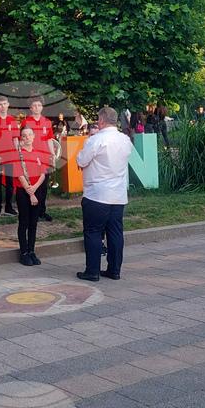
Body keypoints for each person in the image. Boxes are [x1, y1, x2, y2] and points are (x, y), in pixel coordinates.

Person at [76, 107, 133, 282]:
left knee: (93, 231)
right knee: (115, 232)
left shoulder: (96, 140)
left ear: (101, 120)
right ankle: (114, 270)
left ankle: (92, 271)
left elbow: (81, 160)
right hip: (118, 194)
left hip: (97, 193)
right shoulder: (125, 140)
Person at [15, 125, 46, 266]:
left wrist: (34, 189)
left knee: (34, 222)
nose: (27, 137)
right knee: (24, 222)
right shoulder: (18, 154)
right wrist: (30, 192)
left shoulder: (38, 153)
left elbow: (42, 174)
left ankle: (31, 250)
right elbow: (20, 175)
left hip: (36, 189)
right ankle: (24, 253)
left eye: (29, 135)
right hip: (23, 191)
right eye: (24, 135)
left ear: (33, 136)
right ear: (21, 138)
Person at [24, 96, 54, 222]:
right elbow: (22, 140)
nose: (36, 108)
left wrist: (52, 155)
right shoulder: (26, 122)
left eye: (39, 105)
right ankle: (31, 212)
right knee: (32, 185)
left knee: (43, 187)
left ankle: (41, 211)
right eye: (34, 106)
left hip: (45, 159)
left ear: (42, 107)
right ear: (31, 108)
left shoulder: (47, 122)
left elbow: (49, 140)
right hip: (31, 159)